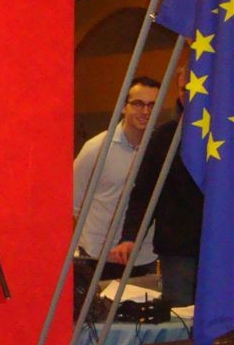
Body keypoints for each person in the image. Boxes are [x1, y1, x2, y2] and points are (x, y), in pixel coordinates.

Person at [112, 65, 203, 306]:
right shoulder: (163, 138)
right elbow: (143, 193)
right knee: (179, 318)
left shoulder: (226, 135)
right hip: (177, 252)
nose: (190, 94)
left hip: (221, 246)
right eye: (185, 89)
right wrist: (130, 237)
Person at [73, 77, 160, 280]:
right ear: (123, 106)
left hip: (144, 256)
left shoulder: (161, 149)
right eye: (138, 104)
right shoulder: (96, 149)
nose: (145, 111)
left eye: (152, 105)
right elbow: (72, 203)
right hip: (99, 257)